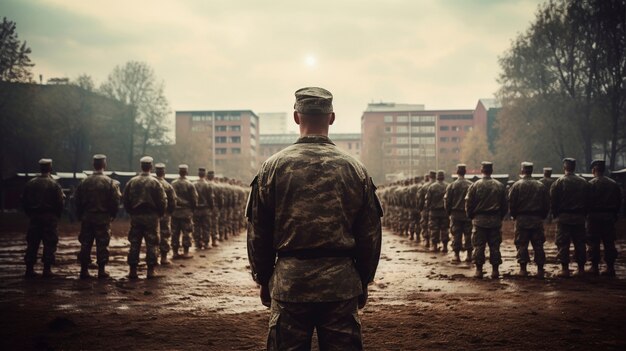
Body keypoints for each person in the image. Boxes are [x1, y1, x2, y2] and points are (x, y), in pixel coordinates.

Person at [247, 87, 382, 350]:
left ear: (296, 117)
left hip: (290, 284)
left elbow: (258, 232)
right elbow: (370, 233)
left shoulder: (272, 168)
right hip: (341, 285)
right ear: (331, 118)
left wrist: (263, 278)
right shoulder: (355, 169)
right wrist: (363, 279)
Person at [74, 154, 121, 279]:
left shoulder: (84, 182)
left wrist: (80, 215)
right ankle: (101, 270)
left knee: (85, 244)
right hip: (103, 218)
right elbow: (115, 201)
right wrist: (112, 215)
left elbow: (76, 200)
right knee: (102, 244)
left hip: (87, 218)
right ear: (104, 165)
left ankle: (84, 270)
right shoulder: (110, 182)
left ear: (93, 165)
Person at [122, 156, 166, 279]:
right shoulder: (155, 182)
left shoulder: (132, 182)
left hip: (136, 216)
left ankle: (132, 271)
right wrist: (160, 213)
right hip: (151, 217)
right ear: (151, 167)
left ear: (141, 166)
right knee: (152, 243)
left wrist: (131, 212)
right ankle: (151, 271)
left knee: (134, 243)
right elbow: (162, 201)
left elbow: (125, 199)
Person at [22, 158, 65, 278]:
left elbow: (24, 201)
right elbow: (60, 202)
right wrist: (57, 215)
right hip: (49, 217)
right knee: (49, 243)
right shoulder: (54, 184)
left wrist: (30, 214)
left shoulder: (31, 183)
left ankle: (29, 269)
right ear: (50, 168)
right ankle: (47, 269)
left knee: (32, 242)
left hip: (35, 217)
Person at [465, 161, 507, 279]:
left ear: (481, 170)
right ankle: (495, 271)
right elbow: (505, 205)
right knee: (495, 246)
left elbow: (469, 204)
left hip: (479, 220)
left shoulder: (474, 185)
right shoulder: (499, 186)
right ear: (491, 171)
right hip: (495, 220)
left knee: (479, 246)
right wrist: (500, 217)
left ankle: (479, 271)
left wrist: (471, 216)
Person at [507, 162, 550, 278]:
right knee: (538, 245)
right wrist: (542, 216)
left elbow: (511, 204)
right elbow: (546, 204)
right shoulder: (540, 186)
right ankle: (540, 270)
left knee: (522, 244)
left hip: (522, 219)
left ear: (522, 171)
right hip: (536, 219)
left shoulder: (516, 186)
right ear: (532, 170)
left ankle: (523, 269)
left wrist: (514, 216)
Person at [550, 158, 589, 277]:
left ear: (564, 167)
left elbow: (553, 201)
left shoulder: (558, 182)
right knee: (580, 243)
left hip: (564, 218)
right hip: (579, 217)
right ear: (574, 167)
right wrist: (584, 214)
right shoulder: (583, 182)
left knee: (563, 244)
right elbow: (589, 200)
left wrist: (556, 215)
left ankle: (565, 269)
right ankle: (581, 269)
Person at [586, 160, 622, 276]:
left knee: (593, 242)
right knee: (609, 242)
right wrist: (614, 214)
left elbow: (586, 202)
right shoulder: (613, 184)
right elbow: (618, 201)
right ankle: (610, 267)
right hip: (609, 216)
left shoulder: (590, 184)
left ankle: (594, 267)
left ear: (594, 170)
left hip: (594, 217)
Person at [444, 164, 473, 262]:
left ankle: (456, 255)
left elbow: (447, 201)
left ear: (457, 172)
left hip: (455, 214)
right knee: (468, 234)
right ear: (465, 172)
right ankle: (469, 255)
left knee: (456, 234)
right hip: (467, 214)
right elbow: (473, 200)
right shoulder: (471, 185)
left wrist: (449, 213)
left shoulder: (451, 185)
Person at [171, 164, 198, 258]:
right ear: (186, 172)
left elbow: (171, 198)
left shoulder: (173, 183)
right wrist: (192, 209)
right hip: (186, 212)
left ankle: (175, 252)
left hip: (175, 212)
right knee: (187, 232)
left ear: (179, 172)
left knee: (175, 232)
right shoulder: (190, 184)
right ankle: (186, 252)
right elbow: (194, 199)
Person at [155, 163, 177, 265]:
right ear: (164, 172)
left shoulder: (151, 182)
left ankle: (153, 258)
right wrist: (169, 212)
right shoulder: (168, 186)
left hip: (151, 214)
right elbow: (173, 201)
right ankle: (163, 258)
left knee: (152, 236)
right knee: (164, 235)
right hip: (164, 214)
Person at [425, 170, 449, 252]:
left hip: (434, 212)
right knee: (444, 229)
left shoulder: (432, 187)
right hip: (444, 211)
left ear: (437, 177)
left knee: (434, 229)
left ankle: (434, 246)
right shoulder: (448, 186)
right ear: (443, 177)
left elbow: (428, 200)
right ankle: (445, 246)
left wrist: (428, 208)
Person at [193, 167, 215, 249]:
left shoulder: (194, 184)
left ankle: (197, 243)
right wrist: (211, 207)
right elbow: (211, 198)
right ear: (205, 174)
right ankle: (206, 243)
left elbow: (192, 197)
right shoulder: (208, 185)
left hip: (197, 209)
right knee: (206, 226)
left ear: (198, 174)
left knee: (196, 226)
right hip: (206, 209)